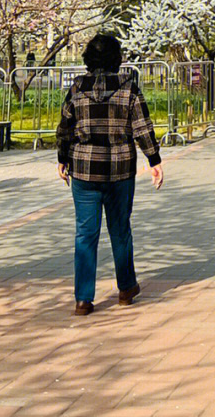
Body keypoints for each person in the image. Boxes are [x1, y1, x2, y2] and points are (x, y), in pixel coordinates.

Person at [55, 32, 163, 315]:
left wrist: (62, 158)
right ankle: (126, 288)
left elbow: (65, 127)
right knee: (120, 229)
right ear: (117, 58)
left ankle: (83, 299)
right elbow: (142, 127)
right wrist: (154, 159)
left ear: (89, 58)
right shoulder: (129, 88)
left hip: (84, 168)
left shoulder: (77, 88)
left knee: (85, 233)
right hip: (119, 169)